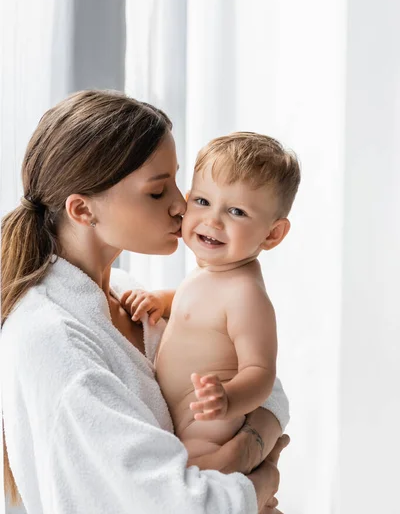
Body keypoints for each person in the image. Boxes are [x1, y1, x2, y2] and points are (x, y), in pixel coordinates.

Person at [1, 90, 290, 514]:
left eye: (178, 181)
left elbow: (263, 382)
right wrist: (257, 480)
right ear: (83, 210)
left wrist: (249, 444)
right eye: (158, 192)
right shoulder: (53, 340)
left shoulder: (130, 294)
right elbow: (176, 505)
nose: (182, 206)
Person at [121, 132, 300, 461]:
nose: (213, 220)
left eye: (237, 212)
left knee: (204, 480)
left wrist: (228, 399)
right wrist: (162, 301)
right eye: (202, 202)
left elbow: (260, 371)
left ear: (272, 234)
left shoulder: (246, 294)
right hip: (182, 411)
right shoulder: (212, 274)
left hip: (207, 421)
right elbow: (197, 307)